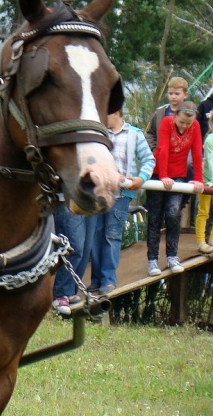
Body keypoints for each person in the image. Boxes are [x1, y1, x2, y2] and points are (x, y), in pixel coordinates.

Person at [88, 110, 155, 295]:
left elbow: (149, 159)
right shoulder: (99, 133)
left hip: (120, 194)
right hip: (98, 192)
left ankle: (108, 280)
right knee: (95, 235)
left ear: (117, 113)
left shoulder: (134, 134)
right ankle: (96, 279)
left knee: (112, 235)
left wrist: (141, 178)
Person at [146, 101, 204, 276]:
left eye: (188, 123)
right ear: (175, 116)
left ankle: (172, 256)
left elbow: (196, 153)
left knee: (172, 214)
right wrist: (163, 175)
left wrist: (198, 179)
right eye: (182, 122)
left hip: (178, 174)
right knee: (155, 218)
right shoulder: (166, 122)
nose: (185, 126)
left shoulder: (195, 126)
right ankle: (152, 260)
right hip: (158, 173)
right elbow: (162, 148)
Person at [145, 76, 188, 151]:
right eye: (170, 94)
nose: (173, 97)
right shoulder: (160, 112)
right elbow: (150, 134)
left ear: (185, 95)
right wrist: (155, 150)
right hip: (162, 154)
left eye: (177, 94)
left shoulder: (190, 113)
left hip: (182, 156)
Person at [194, 110, 213, 255]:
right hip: (207, 180)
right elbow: (210, 162)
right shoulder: (209, 140)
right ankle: (201, 240)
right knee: (203, 211)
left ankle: (212, 238)